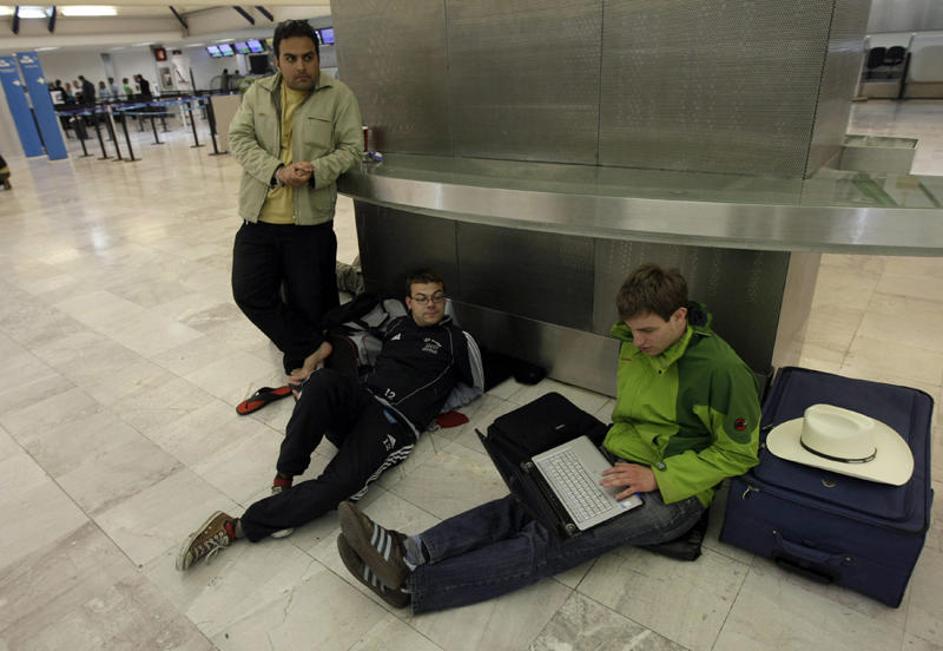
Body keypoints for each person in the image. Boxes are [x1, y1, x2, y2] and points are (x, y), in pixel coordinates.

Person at [334, 264, 762, 612]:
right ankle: (409, 550)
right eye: (631, 330)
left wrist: (659, 476)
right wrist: (593, 451)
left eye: (648, 331)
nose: (637, 341)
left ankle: (415, 587)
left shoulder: (721, 372)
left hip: (674, 495)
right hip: (617, 457)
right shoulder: (637, 341)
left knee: (554, 538)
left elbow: (739, 454)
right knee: (527, 498)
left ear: (680, 316)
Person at [176, 270, 484, 571]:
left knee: (341, 487)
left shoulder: (457, 339)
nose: (430, 304)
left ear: (444, 301)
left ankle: (235, 528)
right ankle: (283, 478)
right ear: (409, 302)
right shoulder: (398, 326)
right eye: (422, 298)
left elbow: (474, 387)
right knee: (322, 381)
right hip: (363, 398)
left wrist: (432, 410)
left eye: (436, 298)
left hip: (394, 422)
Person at [228, 19, 362, 385]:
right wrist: (276, 170)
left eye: (308, 57)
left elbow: (352, 149)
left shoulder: (339, 96)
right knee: (249, 292)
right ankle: (312, 348)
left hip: (310, 224)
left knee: (313, 304)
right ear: (277, 60)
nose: (301, 66)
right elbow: (238, 140)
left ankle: (319, 375)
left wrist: (317, 169)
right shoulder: (257, 94)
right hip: (259, 218)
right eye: (291, 58)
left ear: (318, 57)